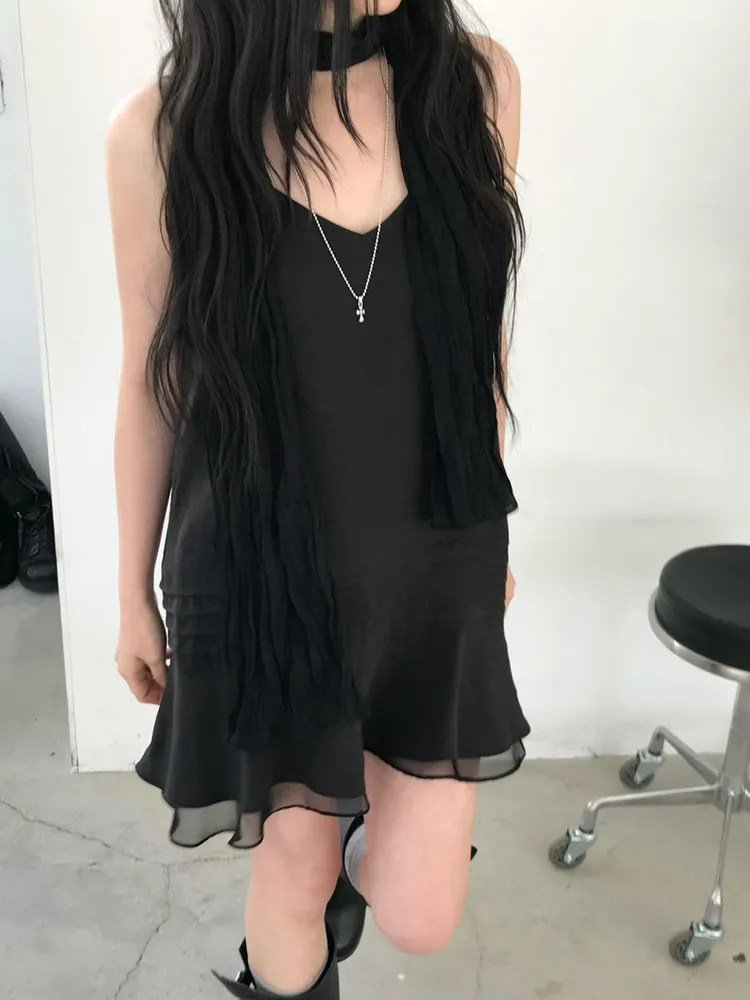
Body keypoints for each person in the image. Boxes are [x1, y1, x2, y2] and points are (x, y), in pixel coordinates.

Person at [107, 1, 529, 996]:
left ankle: (343, 844)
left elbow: (480, 339)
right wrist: (131, 593)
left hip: (432, 551)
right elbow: (152, 383)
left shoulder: (475, 85)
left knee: (422, 913)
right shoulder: (163, 133)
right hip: (258, 565)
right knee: (293, 877)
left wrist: (488, 522)